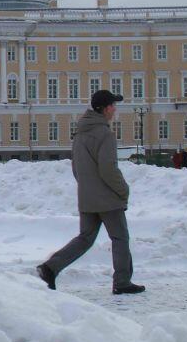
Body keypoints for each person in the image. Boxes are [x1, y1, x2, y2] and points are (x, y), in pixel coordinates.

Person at [37, 90, 145, 295]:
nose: (115, 110)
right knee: (120, 238)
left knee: (85, 238)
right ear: (105, 109)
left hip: (87, 196)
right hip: (108, 199)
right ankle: (122, 281)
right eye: (113, 106)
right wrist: (123, 190)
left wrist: (88, 187)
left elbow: (76, 168)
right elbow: (108, 168)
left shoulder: (80, 133)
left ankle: (50, 268)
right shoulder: (105, 134)